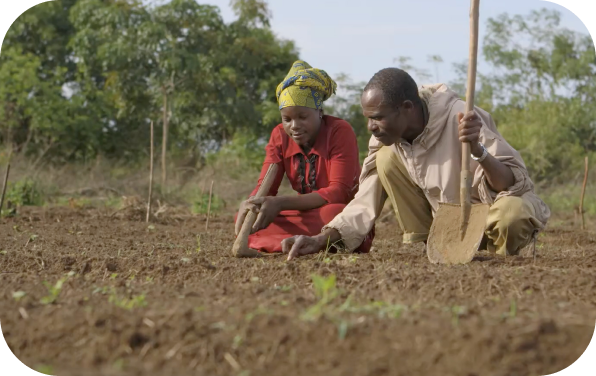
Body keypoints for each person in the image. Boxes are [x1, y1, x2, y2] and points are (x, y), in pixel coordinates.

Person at [281, 68, 551, 260]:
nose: (370, 127)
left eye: (378, 117)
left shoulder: (460, 117)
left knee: (511, 214)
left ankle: (500, 261)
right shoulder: (388, 140)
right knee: (386, 158)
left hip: (490, 213)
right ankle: (432, 246)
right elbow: (365, 200)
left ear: (407, 108)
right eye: (367, 118)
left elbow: (510, 183)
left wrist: (478, 150)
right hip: (449, 223)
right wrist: (321, 239)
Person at [234, 60, 375, 254]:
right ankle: (295, 244)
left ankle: (289, 243)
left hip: (340, 216)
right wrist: (252, 203)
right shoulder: (279, 135)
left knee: (334, 212)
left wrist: (281, 202)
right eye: (287, 119)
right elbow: (265, 185)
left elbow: (338, 192)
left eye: (302, 117)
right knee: (245, 216)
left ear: (319, 112)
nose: (294, 126)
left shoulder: (339, 131)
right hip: (304, 216)